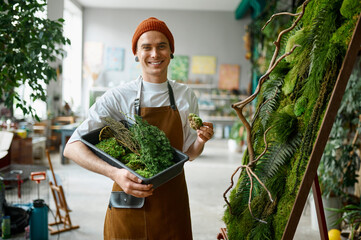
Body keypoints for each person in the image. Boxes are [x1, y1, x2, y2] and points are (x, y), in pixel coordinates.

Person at [63, 17, 214, 240]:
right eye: (147, 47)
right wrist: (115, 173)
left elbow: (188, 154)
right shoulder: (117, 96)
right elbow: (72, 147)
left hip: (172, 201)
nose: (155, 54)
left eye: (161, 46)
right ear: (136, 53)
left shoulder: (185, 96)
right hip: (128, 200)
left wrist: (201, 140)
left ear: (171, 51)